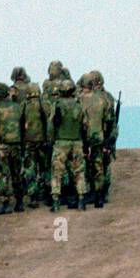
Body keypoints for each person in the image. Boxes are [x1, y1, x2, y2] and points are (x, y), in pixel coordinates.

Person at [49, 78, 88, 212]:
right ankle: (81, 199)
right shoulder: (79, 105)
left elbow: (51, 126)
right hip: (77, 142)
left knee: (57, 173)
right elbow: (85, 125)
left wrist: (51, 140)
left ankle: (55, 201)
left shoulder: (57, 105)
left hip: (61, 143)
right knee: (79, 172)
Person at [0, 82, 25, 214]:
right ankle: (19, 202)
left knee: (2, 174)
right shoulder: (18, 107)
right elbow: (25, 127)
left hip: (2, 146)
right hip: (17, 145)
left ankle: (5, 203)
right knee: (17, 173)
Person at [80, 73, 114, 208]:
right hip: (100, 137)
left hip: (85, 138)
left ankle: (90, 193)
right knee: (99, 166)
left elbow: (80, 121)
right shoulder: (103, 100)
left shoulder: (81, 99)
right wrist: (107, 140)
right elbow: (109, 121)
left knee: (87, 167)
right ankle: (100, 197)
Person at [22, 82, 49, 208]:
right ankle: (46, 193)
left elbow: (20, 124)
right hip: (43, 142)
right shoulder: (44, 104)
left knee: (30, 170)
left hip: (29, 143)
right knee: (44, 168)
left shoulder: (24, 105)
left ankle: (33, 196)